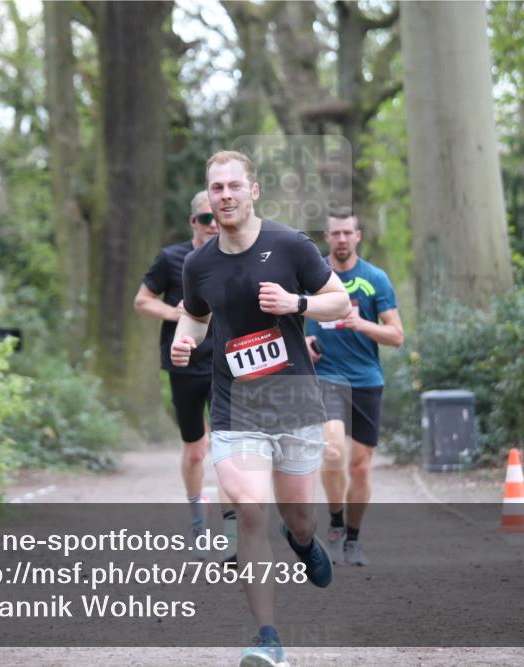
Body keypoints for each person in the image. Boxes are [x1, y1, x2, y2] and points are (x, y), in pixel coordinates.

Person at [171, 150, 351, 667]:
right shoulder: (198, 264)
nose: (224, 196)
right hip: (236, 404)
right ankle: (268, 638)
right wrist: (185, 341)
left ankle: (305, 542)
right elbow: (195, 318)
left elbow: (339, 303)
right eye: (216, 189)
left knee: (299, 519)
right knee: (250, 509)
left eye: (233, 186)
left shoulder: (290, 245)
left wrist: (296, 304)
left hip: (293, 401)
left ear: (253, 190)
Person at [133, 191, 236, 562]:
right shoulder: (172, 258)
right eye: (205, 218)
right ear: (193, 222)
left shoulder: (234, 255)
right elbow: (142, 301)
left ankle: (230, 529)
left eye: (217, 218)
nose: (213, 224)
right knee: (195, 451)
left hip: (226, 364)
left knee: (227, 448)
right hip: (185, 364)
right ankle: (197, 521)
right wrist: (177, 315)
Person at [305, 209, 404, 567]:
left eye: (348, 232)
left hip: (366, 379)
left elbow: (396, 335)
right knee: (332, 451)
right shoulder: (313, 276)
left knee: (361, 466)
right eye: (336, 233)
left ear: (358, 235)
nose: (342, 239)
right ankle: (334, 522)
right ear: (327, 237)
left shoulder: (375, 279)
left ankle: (353, 538)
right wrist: (304, 342)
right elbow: (290, 318)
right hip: (327, 378)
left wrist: (362, 324)